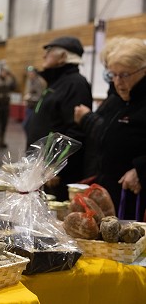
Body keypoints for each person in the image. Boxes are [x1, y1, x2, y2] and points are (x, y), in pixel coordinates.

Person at [74, 37, 146, 220]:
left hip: (135, 198)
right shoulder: (118, 100)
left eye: (124, 75)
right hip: (111, 191)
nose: (117, 82)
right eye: (113, 75)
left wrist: (140, 169)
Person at [24, 36, 93, 201]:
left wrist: (54, 165)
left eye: (49, 52)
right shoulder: (57, 82)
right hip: (43, 166)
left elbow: (75, 130)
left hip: (58, 174)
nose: (43, 56)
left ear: (63, 57)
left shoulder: (75, 84)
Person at [0, 66, 17, 148]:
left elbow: (14, 87)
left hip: (6, 105)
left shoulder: (9, 80)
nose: (5, 74)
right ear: (0, 72)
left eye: (6, 72)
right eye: (3, 72)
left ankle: (2, 141)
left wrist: (12, 76)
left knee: (4, 124)